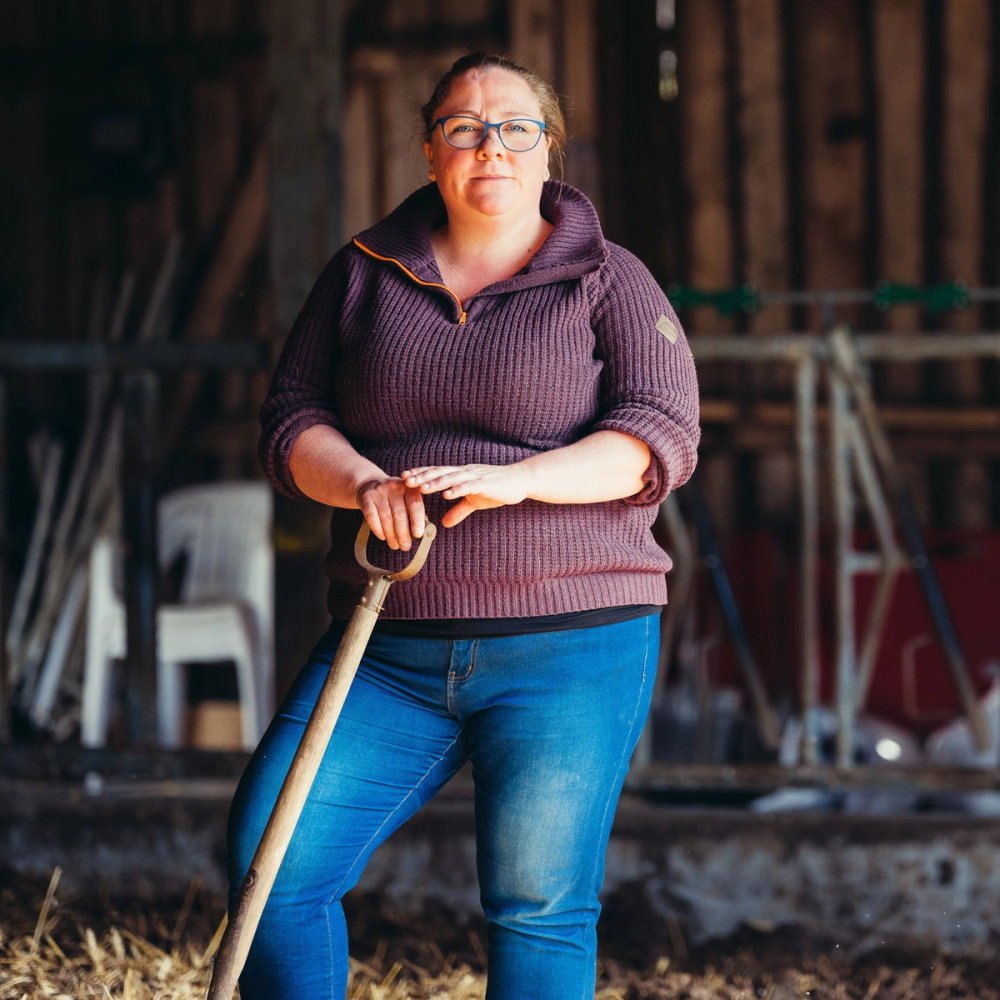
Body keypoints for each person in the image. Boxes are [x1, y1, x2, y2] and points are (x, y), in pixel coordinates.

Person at [230, 51, 700, 1000]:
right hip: (389, 647)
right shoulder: (364, 273)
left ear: (548, 149)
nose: (492, 143)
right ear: (432, 147)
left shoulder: (610, 279)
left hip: (569, 648)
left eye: (516, 126)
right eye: (464, 125)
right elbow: (291, 419)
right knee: (271, 870)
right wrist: (363, 481)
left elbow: (657, 439)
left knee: (535, 905)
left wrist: (522, 481)